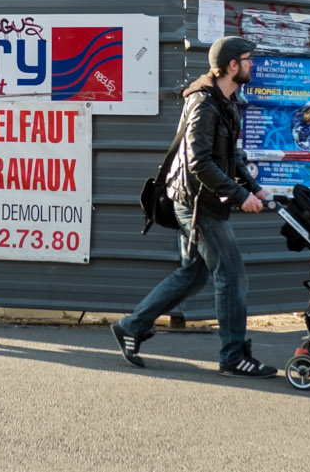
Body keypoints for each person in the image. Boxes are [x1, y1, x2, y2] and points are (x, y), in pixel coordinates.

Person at [110, 36, 278, 379]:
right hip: (196, 202)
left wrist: (254, 187)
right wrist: (238, 195)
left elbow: (231, 156)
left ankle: (131, 326)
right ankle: (233, 356)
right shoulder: (204, 103)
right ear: (232, 65)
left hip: (205, 198)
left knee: (194, 273)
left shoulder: (227, 100)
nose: (252, 65)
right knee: (232, 275)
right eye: (248, 60)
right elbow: (199, 161)